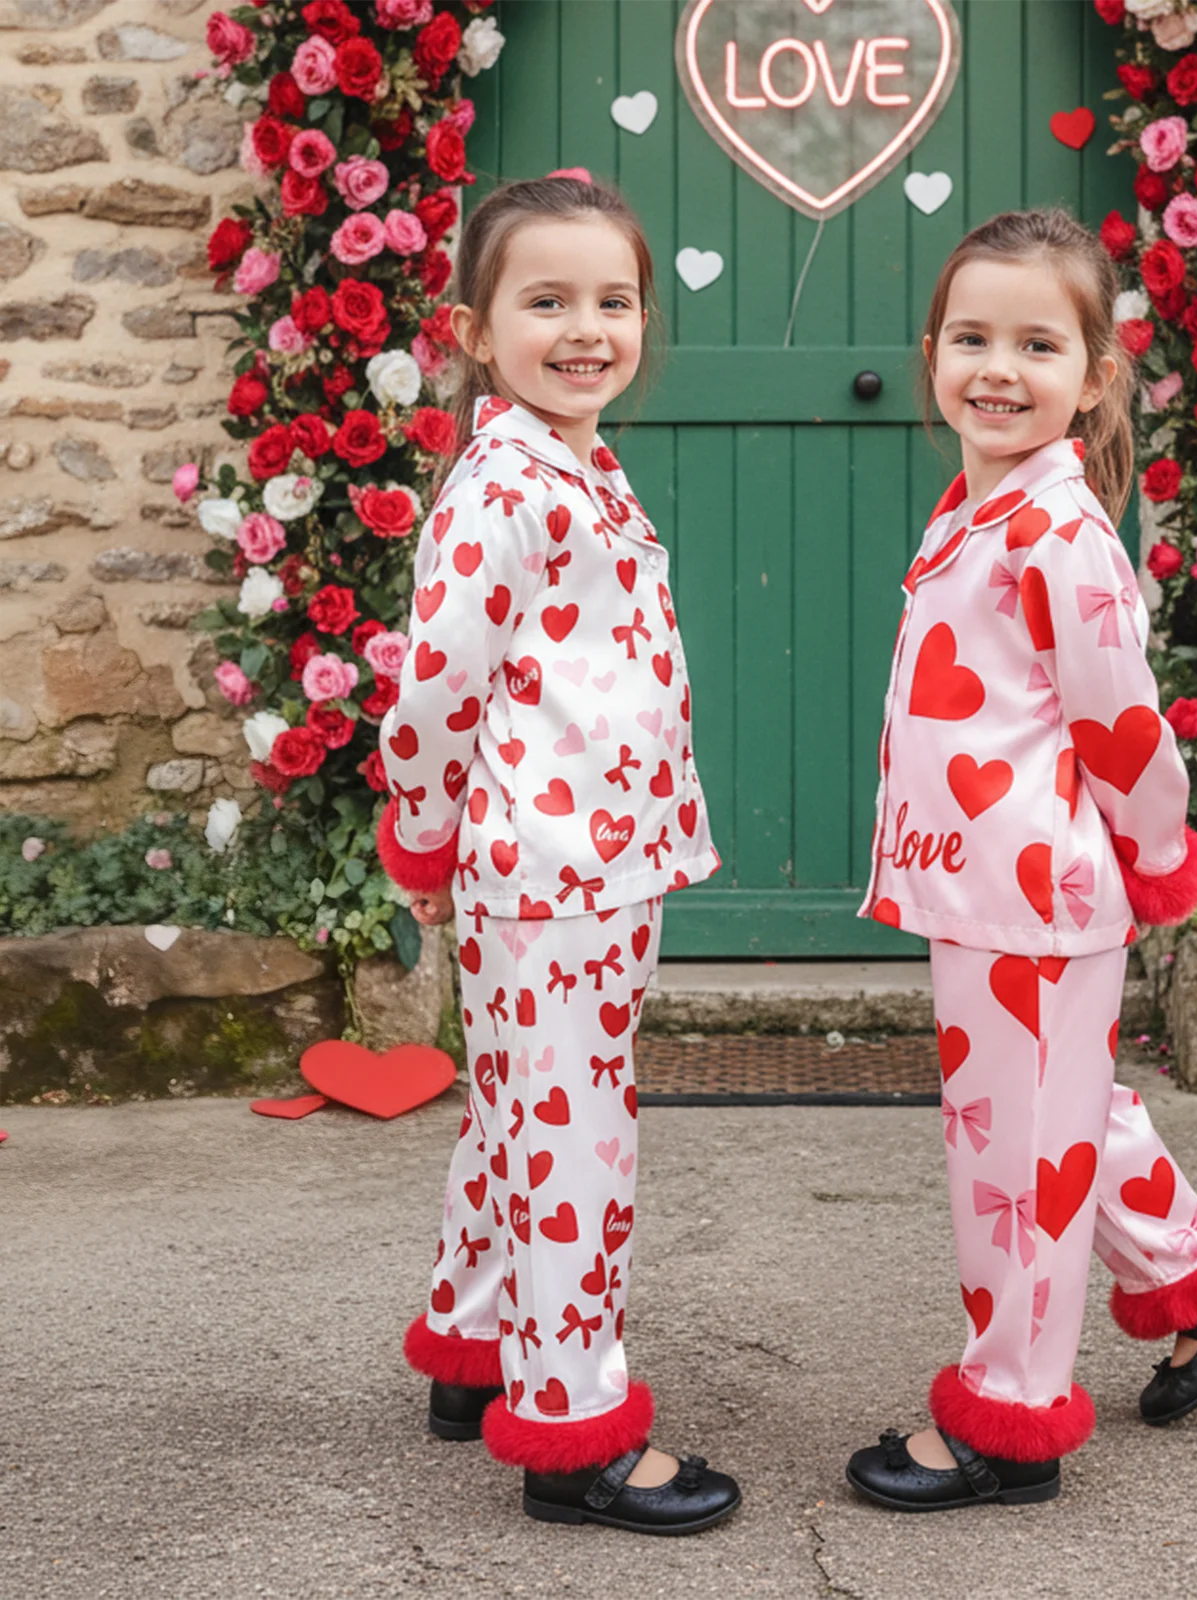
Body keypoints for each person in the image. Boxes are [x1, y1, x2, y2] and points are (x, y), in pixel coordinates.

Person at [845, 207, 1197, 1514]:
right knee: (1063, 1116)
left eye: (1036, 343)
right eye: (972, 336)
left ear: (1094, 377)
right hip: (986, 882)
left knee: (1015, 1166)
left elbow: (1122, 725)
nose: (998, 367)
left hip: (1031, 895)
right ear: (931, 351)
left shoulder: (1059, 537)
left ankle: (1013, 1417)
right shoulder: (977, 512)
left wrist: (1159, 853)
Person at [375, 173, 739, 1536]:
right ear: (475, 330)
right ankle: (574, 1426)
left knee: (520, 1108)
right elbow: (435, 686)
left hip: (596, 855)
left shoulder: (570, 459)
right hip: (548, 866)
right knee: (575, 1131)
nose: (586, 329)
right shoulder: (505, 488)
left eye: (613, 301)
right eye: (547, 302)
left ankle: (476, 1352)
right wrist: (418, 826)